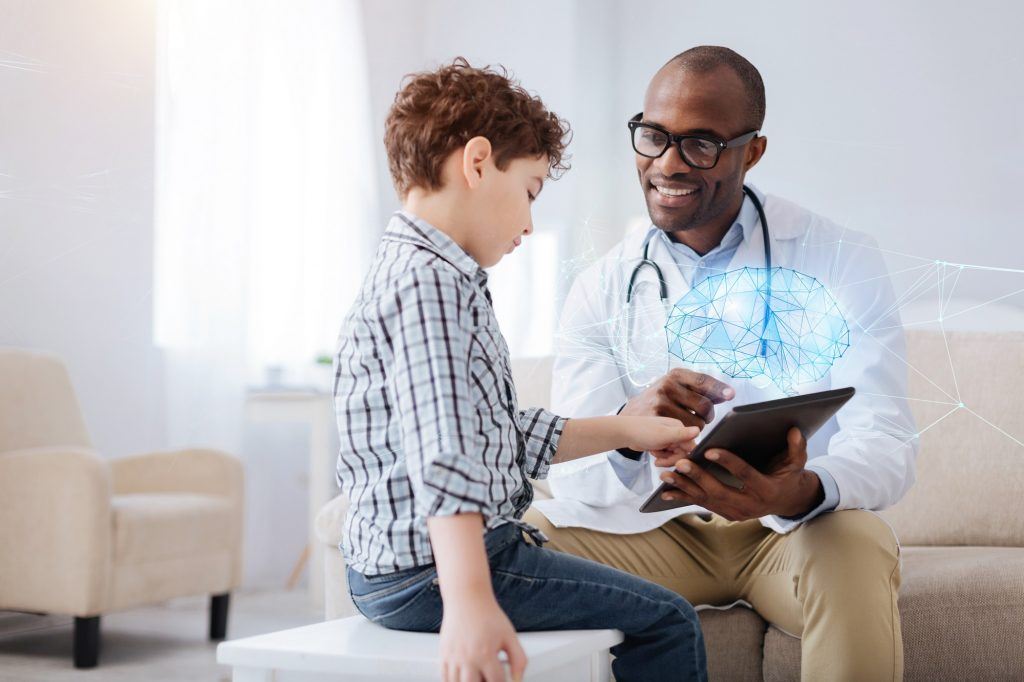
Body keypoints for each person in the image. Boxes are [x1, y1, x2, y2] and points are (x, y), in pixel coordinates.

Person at [525, 46, 919, 681]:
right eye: (653, 136)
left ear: (752, 151)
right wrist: (627, 430)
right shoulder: (603, 285)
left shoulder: (841, 257)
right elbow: (572, 474)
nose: (668, 163)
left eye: (701, 144)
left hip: (786, 533)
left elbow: (888, 437)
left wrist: (801, 491)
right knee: (516, 548)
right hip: (652, 536)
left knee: (859, 545)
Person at [333, 58, 709, 682]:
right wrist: (471, 601)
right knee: (667, 620)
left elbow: (495, 433)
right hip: (432, 571)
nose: (531, 224)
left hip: (400, 570)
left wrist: (627, 430)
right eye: (530, 190)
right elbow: (445, 455)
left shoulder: (417, 272)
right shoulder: (430, 286)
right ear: (477, 163)